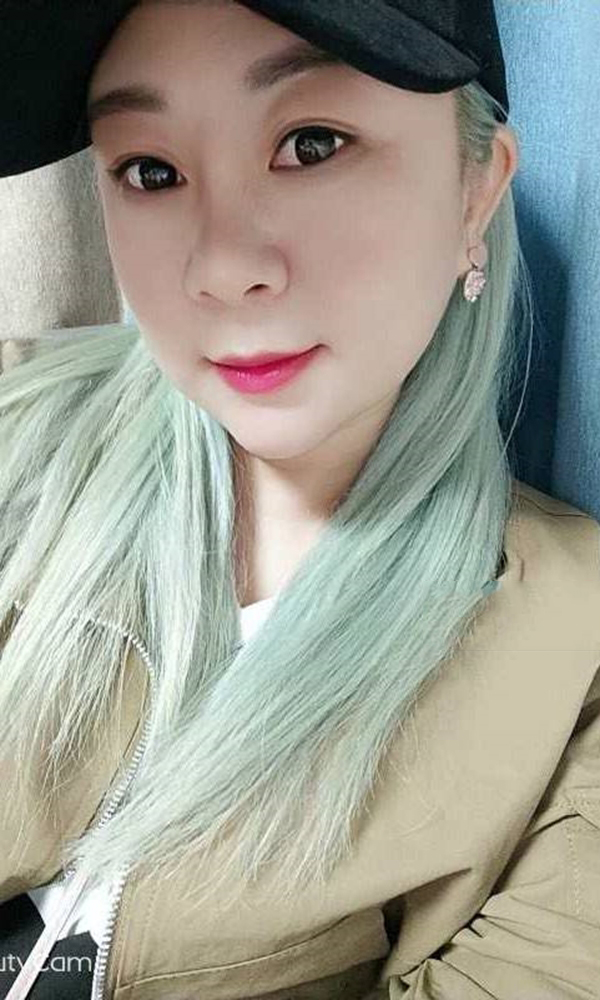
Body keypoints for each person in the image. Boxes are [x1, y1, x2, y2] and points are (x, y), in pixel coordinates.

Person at [0, 1, 599, 998]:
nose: (222, 267)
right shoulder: (18, 433)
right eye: (150, 171)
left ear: (477, 188)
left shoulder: (573, 657)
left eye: (311, 144)